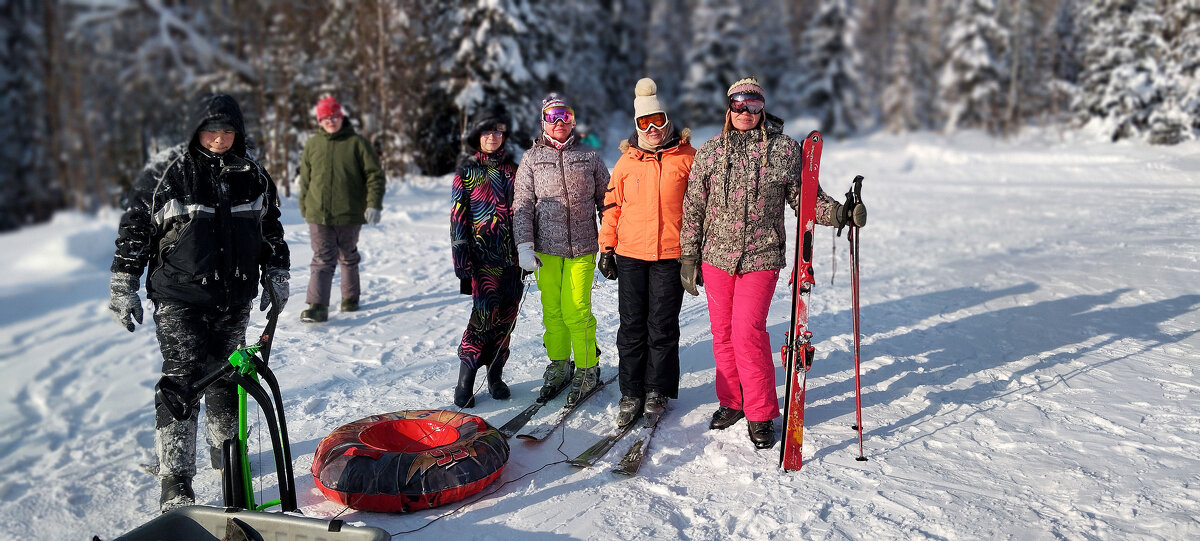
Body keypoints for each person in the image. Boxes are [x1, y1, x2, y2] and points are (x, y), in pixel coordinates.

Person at [108, 92, 290, 512]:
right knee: (182, 380)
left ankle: (227, 452)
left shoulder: (254, 173)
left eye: (227, 130)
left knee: (228, 374)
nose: (219, 138)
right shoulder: (165, 172)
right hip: (179, 296)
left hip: (235, 294)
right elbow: (135, 229)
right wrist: (123, 283)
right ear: (195, 129)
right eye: (211, 129)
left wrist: (276, 273)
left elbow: (272, 230)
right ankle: (175, 477)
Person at [679, 76, 867, 450]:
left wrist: (841, 212)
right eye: (738, 103)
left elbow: (806, 199)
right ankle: (732, 400)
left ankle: (761, 411)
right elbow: (694, 206)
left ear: (762, 107)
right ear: (728, 107)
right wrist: (688, 255)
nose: (745, 111)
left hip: (761, 256)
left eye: (752, 103)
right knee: (722, 334)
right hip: (716, 256)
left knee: (748, 331)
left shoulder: (783, 150)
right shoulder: (711, 151)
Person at [597, 78, 695, 427]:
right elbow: (612, 206)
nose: (652, 129)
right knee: (632, 325)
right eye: (644, 123)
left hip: (671, 253)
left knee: (662, 325)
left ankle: (657, 390)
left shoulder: (687, 158)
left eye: (657, 120)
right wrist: (606, 247)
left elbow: (701, 207)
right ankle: (631, 391)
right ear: (636, 126)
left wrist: (694, 254)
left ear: (667, 119)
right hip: (631, 254)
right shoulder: (626, 162)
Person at [512, 93, 611, 407]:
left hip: (582, 247)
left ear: (573, 121)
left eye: (565, 115)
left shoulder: (590, 157)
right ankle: (559, 365)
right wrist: (524, 245)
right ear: (543, 121)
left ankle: (586, 367)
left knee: (577, 309)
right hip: (545, 250)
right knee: (552, 312)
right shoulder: (531, 158)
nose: (559, 122)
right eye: (553, 116)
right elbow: (523, 205)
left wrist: (609, 242)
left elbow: (607, 203)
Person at [450, 104, 523, 408]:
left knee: (507, 320)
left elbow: (526, 213)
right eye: (486, 130)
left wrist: (528, 254)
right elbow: (458, 221)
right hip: (483, 265)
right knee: (481, 321)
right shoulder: (467, 172)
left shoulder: (515, 170)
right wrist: (464, 267)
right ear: (477, 135)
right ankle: (465, 380)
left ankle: (495, 375)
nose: (492, 136)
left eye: (497, 130)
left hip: (514, 262)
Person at [297, 96, 387, 322]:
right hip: (318, 214)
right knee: (322, 258)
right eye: (325, 118)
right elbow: (305, 179)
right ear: (319, 120)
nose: (330, 121)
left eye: (334, 116)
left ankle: (350, 298)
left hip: (349, 213)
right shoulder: (312, 144)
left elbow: (374, 175)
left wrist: (373, 204)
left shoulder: (357, 143)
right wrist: (305, 205)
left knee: (347, 256)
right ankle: (317, 306)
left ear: (341, 117)